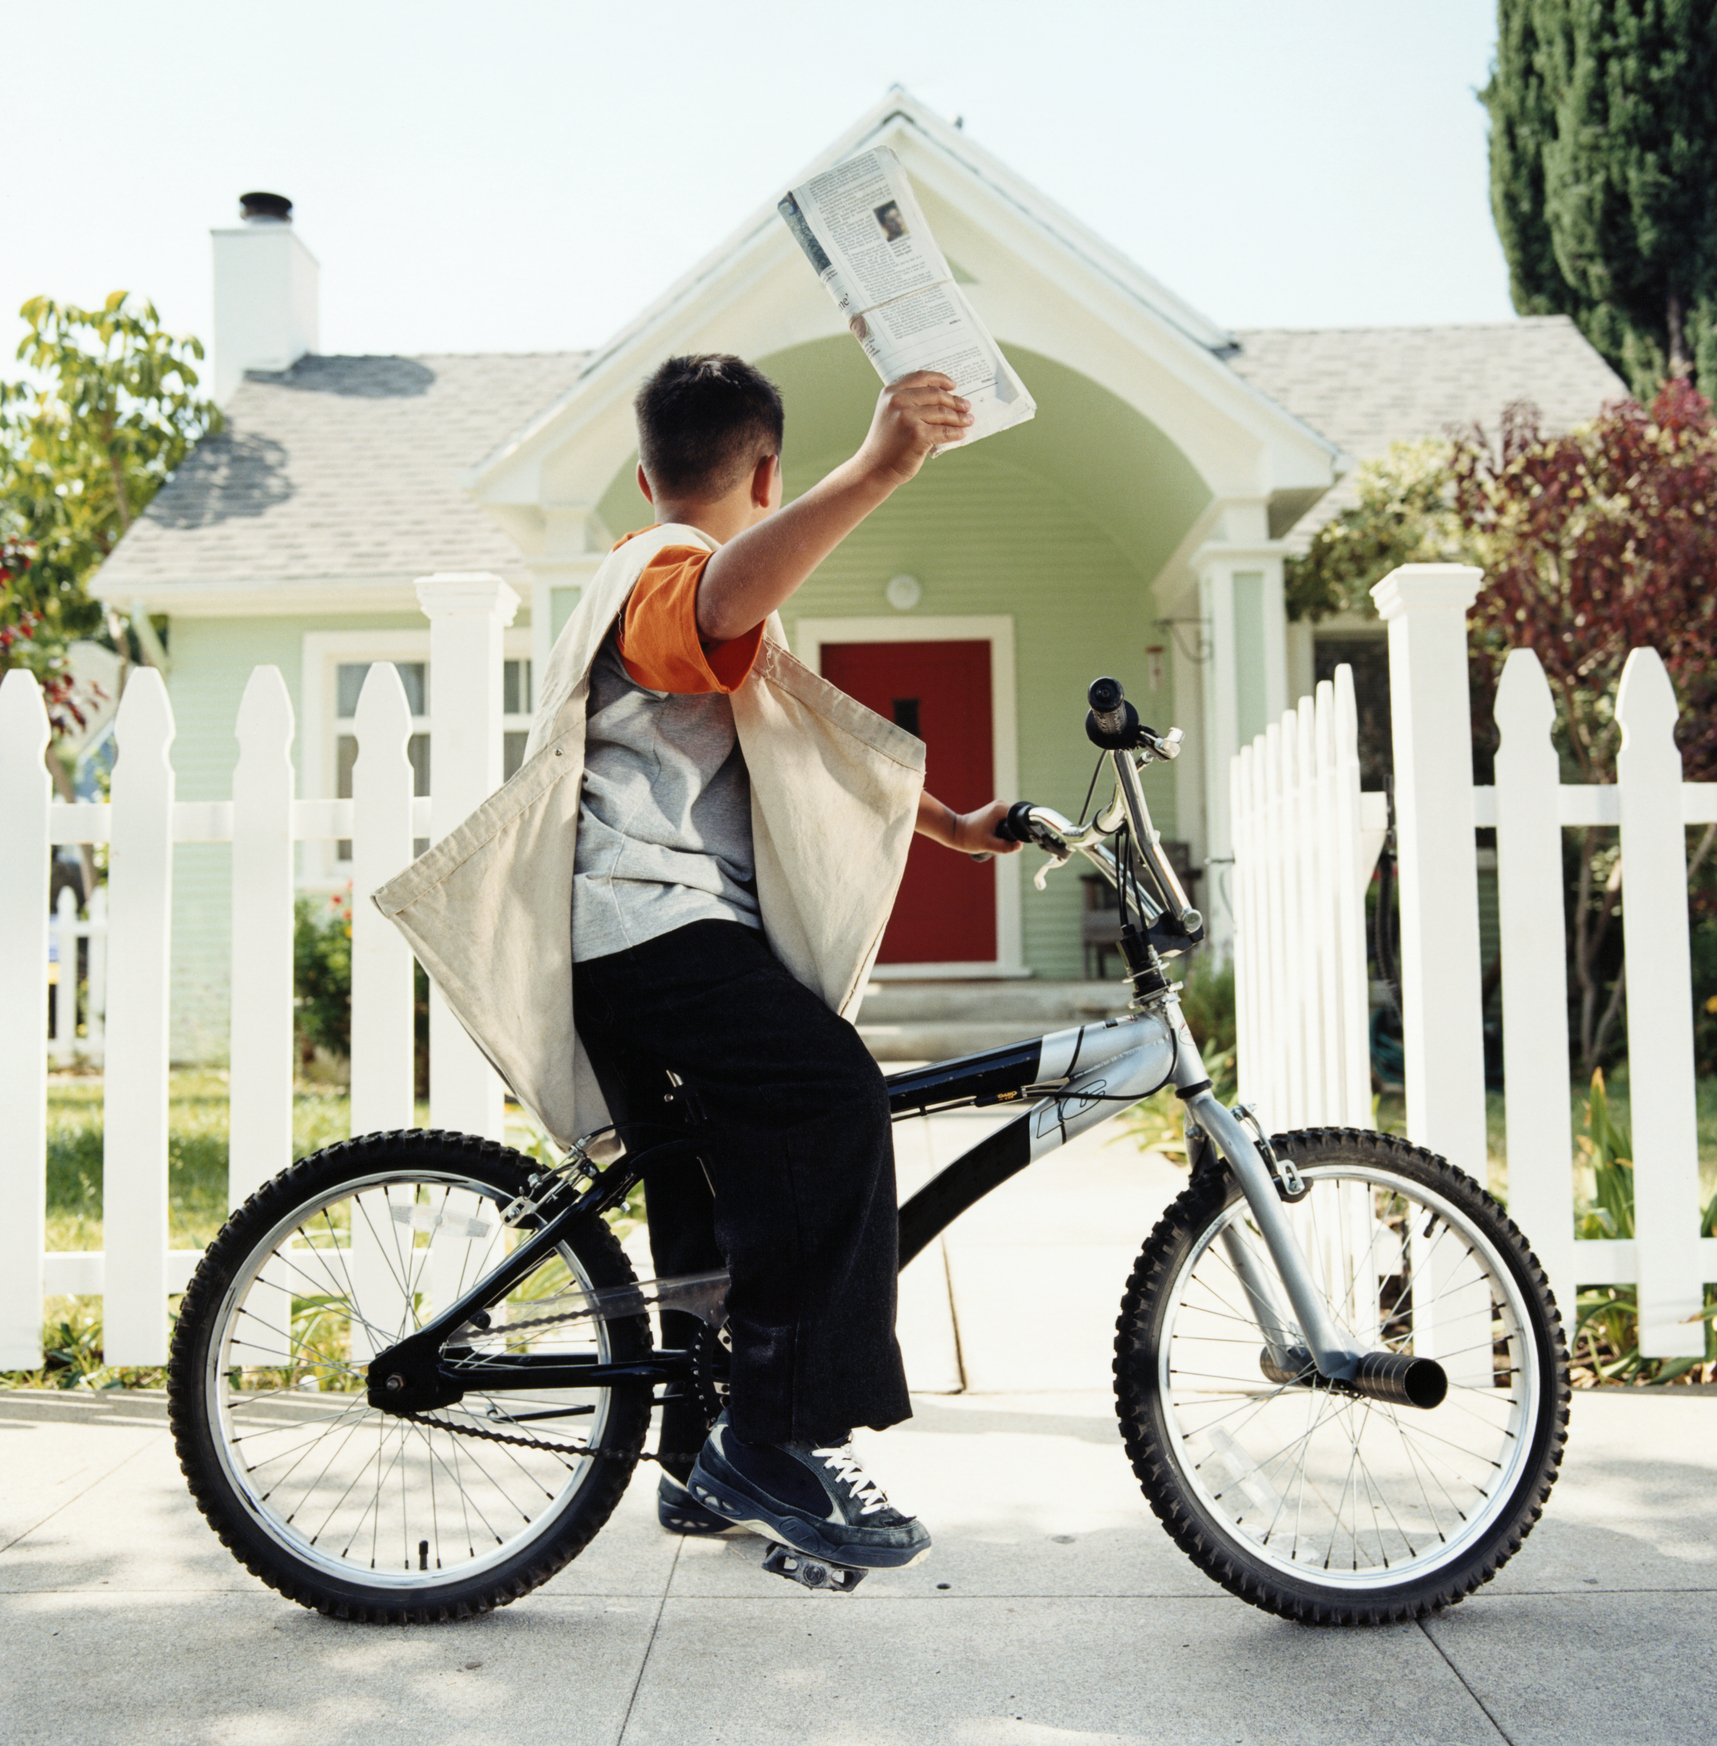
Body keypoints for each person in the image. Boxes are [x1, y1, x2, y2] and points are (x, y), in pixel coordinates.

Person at [564, 353, 1020, 1573]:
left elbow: (804, 723)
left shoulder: (673, 579)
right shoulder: (659, 572)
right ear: (765, 473)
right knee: (828, 1095)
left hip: (630, 936)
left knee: (717, 1195)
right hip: (650, 924)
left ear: (650, 468)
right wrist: (876, 467)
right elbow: (712, 608)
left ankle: (699, 1461)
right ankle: (772, 1440)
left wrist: (951, 825)